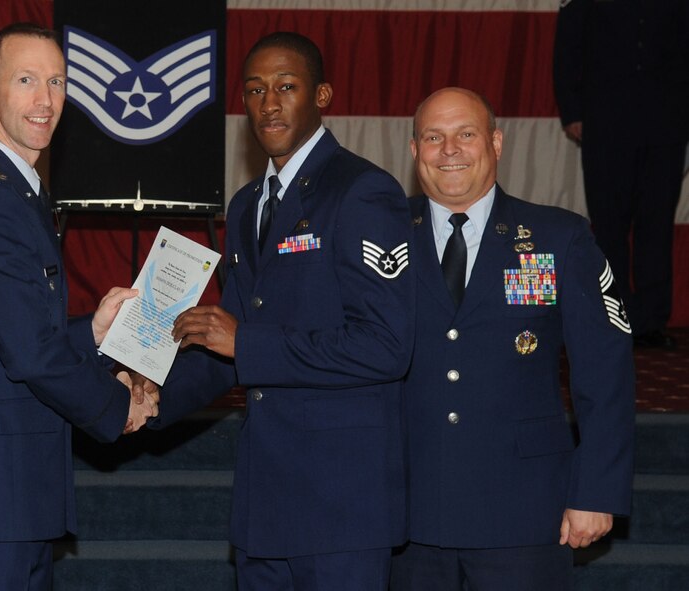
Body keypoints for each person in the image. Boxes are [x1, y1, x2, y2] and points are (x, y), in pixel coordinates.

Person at [137, 32, 414, 590]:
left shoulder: (362, 191)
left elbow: (386, 346)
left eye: (287, 87)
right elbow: (226, 349)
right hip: (266, 501)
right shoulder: (246, 206)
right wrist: (147, 399)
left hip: (343, 503)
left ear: (323, 95)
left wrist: (247, 344)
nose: (269, 103)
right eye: (256, 89)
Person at [0, 22, 157, 590]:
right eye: (25, 80)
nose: (46, 100)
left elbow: (13, 334)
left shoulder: (15, 190)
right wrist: (118, 405)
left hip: (5, 499)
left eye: (58, 81)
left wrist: (91, 331)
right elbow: (30, 356)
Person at [388, 88, 636, 591]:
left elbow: (604, 372)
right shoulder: (380, 235)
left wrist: (597, 490)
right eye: (433, 137)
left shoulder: (558, 237)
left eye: (466, 134)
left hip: (524, 510)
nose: (449, 150)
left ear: (496, 143)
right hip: (405, 509)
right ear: (415, 151)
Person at [553, 0, 689, 349]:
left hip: (666, 124)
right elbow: (568, 46)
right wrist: (571, 111)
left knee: (656, 222)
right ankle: (613, 316)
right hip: (604, 122)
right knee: (609, 224)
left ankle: (650, 321)